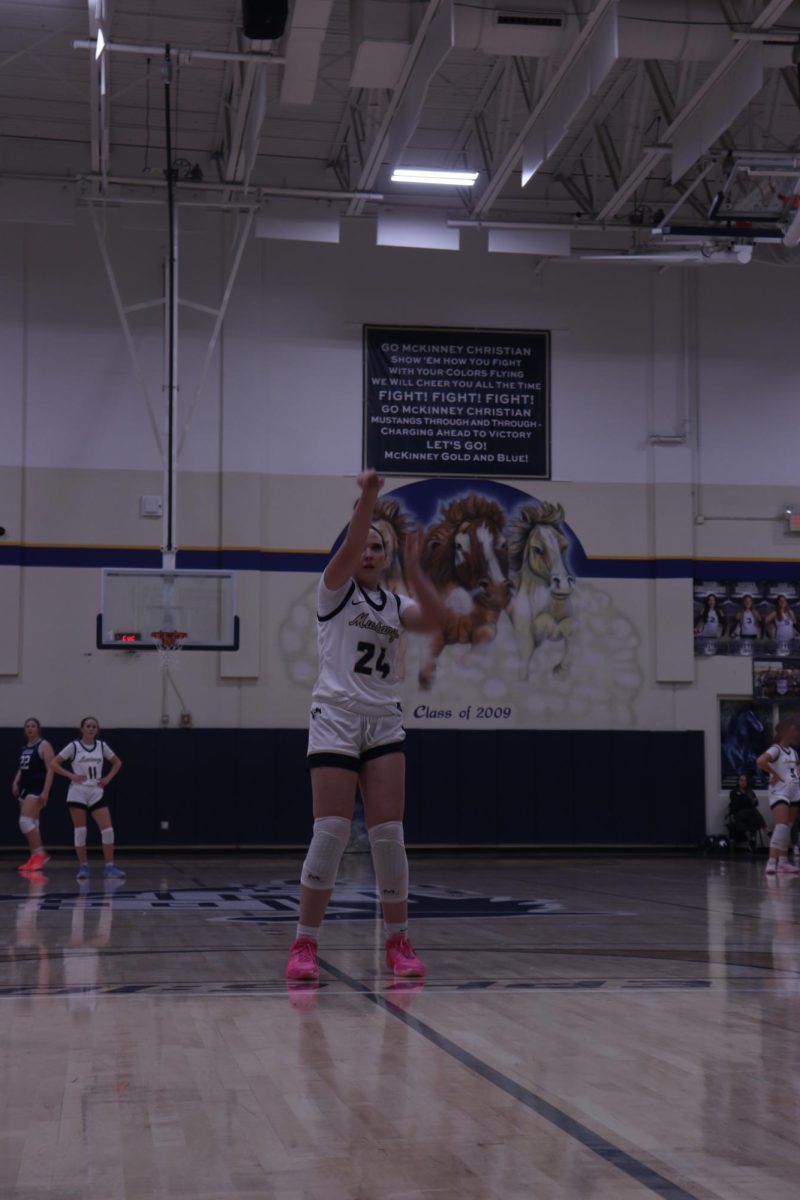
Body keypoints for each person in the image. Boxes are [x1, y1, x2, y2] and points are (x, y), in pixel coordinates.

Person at [287, 470, 446, 984]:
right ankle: (304, 944)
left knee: (388, 836)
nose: (370, 552)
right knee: (330, 832)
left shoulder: (396, 606)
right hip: (335, 715)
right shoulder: (333, 592)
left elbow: (437, 618)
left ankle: (399, 940)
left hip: (382, 721)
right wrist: (371, 498)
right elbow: (355, 537)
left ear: (388, 557)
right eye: (364, 545)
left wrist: (418, 567)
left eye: (380, 547)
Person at [50, 717, 124, 881]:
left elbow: (117, 763)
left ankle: (109, 867)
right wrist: (71, 775)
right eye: (88, 726)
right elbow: (53, 763)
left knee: (108, 830)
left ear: (97, 730)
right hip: (78, 791)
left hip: (96, 791)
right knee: (81, 831)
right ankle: (83, 867)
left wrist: (108, 778)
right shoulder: (74, 746)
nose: (91, 729)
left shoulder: (101, 746)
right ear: (82, 729)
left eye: (94, 726)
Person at [756, 719, 800, 877]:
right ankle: (771, 861)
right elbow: (760, 761)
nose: (796, 733)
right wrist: (774, 774)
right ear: (784, 732)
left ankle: (783, 863)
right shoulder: (776, 749)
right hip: (779, 792)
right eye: (793, 730)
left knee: (787, 827)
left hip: (794, 792)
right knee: (781, 826)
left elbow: (795, 770)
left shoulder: (793, 752)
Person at [11, 717, 54, 873]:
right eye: (27, 726)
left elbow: (51, 769)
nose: (30, 728)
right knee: (33, 823)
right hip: (25, 787)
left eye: (33, 725)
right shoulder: (25, 747)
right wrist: (16, 782)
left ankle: (40, 853)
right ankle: (34, 857)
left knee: (25, 821)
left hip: (38, 787)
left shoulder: (44, 745)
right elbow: (22, 768)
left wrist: (46, 791)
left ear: (38, 728)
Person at [727, 774, 766, 849]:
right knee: (753, 811)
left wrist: (745, 801)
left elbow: (756, 803)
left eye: (745, 780)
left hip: (749, 816)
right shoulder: (733, 792)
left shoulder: (750, 792)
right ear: (738, 781)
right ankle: (765, 828)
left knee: (753, 818)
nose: (743, 782)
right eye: (741, 780)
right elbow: (736, 805)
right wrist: (748, 802)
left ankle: (751, 840)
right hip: (739, 814)